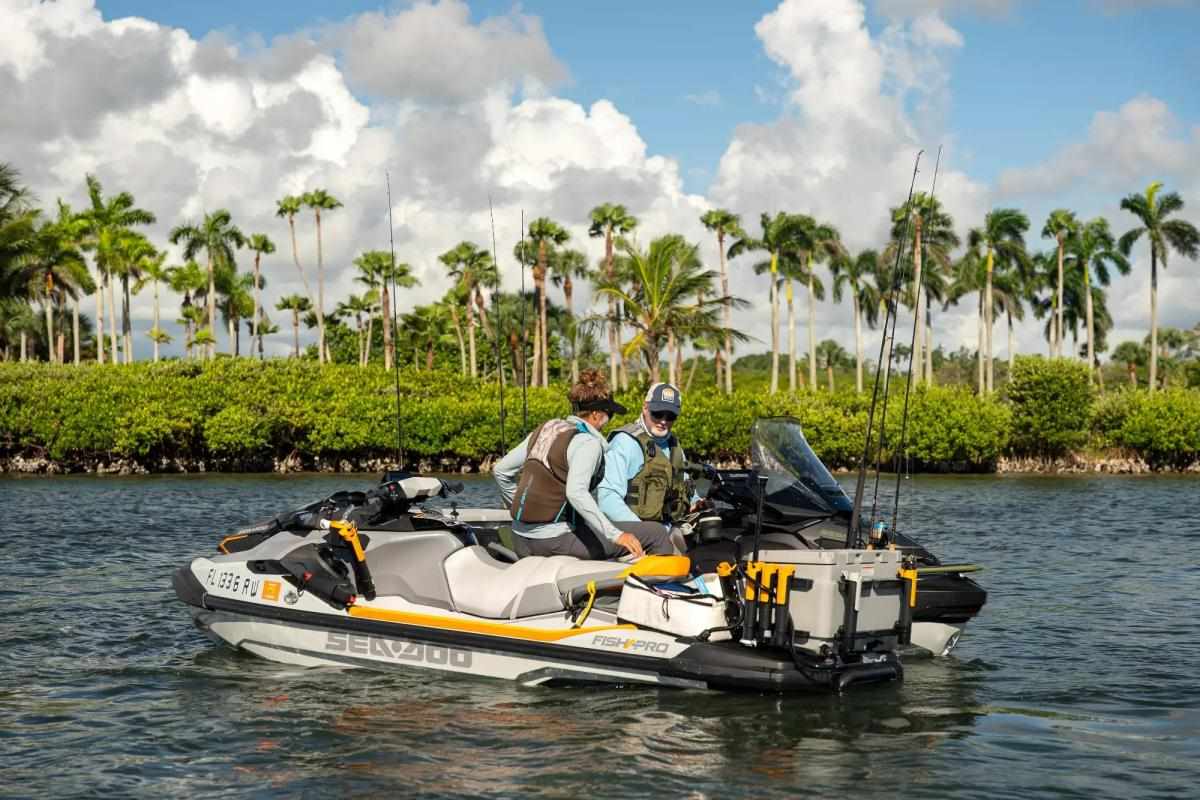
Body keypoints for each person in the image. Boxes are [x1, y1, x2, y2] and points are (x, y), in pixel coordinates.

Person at [494, 369, 675, 560]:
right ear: (596, 414)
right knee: (656, 533)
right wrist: (617, 535)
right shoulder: (588, 443)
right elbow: (576, 493)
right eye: (609, 414)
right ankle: (658, 588)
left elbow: (500, 470)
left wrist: (523, 511)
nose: (609, 420)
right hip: (553, 543)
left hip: (520, 539)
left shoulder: (546, 429)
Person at [597, 382, 701, 552]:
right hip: (636, 538)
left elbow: (687, 487)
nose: (663, 421)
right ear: (645, 408)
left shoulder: (674, 445)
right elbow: (607, 498)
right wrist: (647, 534)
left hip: (670, 531)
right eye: (657, 413)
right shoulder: (625, 442)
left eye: (670, 416)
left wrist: (697, 503)